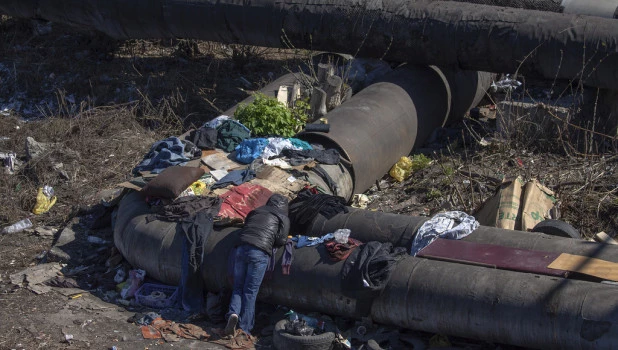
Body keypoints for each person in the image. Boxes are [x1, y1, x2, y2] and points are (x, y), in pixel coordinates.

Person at [224, 194, 290, 336]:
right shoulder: (283, 217)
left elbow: (246, 227)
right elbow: (282, 239)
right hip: (259, 253)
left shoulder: (256, 210)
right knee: (250, 291)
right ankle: (245, 328)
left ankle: (233, 313)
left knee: (237, 287)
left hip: (240, 249)